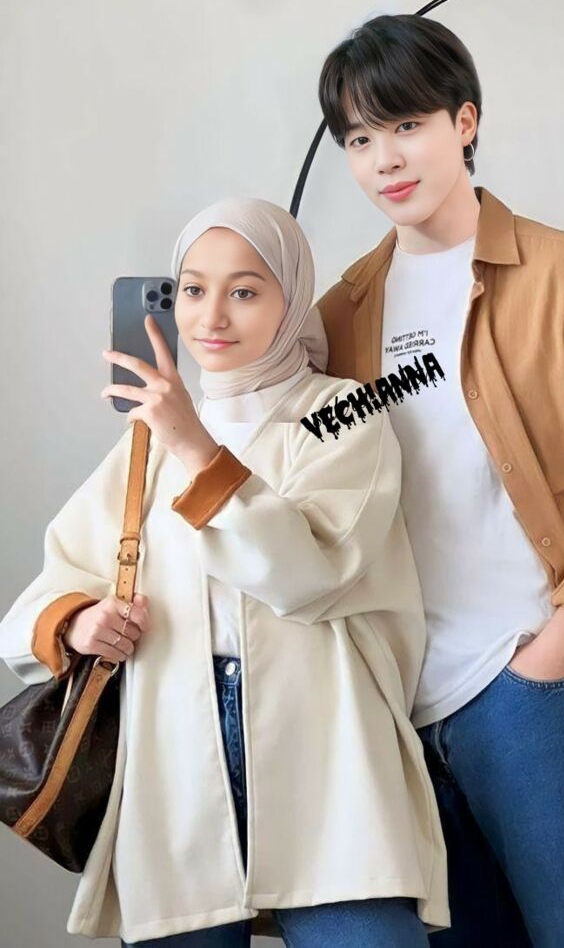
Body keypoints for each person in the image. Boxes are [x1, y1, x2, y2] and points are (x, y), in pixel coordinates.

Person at [0, 198, 449, 946]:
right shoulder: (143, 444)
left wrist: (195, 446)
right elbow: (45, 594)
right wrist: (79, 621)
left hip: (328, 748)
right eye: (192, 289)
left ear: (291, 300)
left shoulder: (341, 413)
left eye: (244, 290)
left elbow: (306, 575)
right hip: (174, 755)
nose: (211, 316)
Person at [315, 13, 564, 948]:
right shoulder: (343, 313)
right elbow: (311, 468)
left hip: (532, 692)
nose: (384, 158)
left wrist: (563, 640)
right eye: (359, 138)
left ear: (464, 121)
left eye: (405, 124)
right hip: (399, 714)